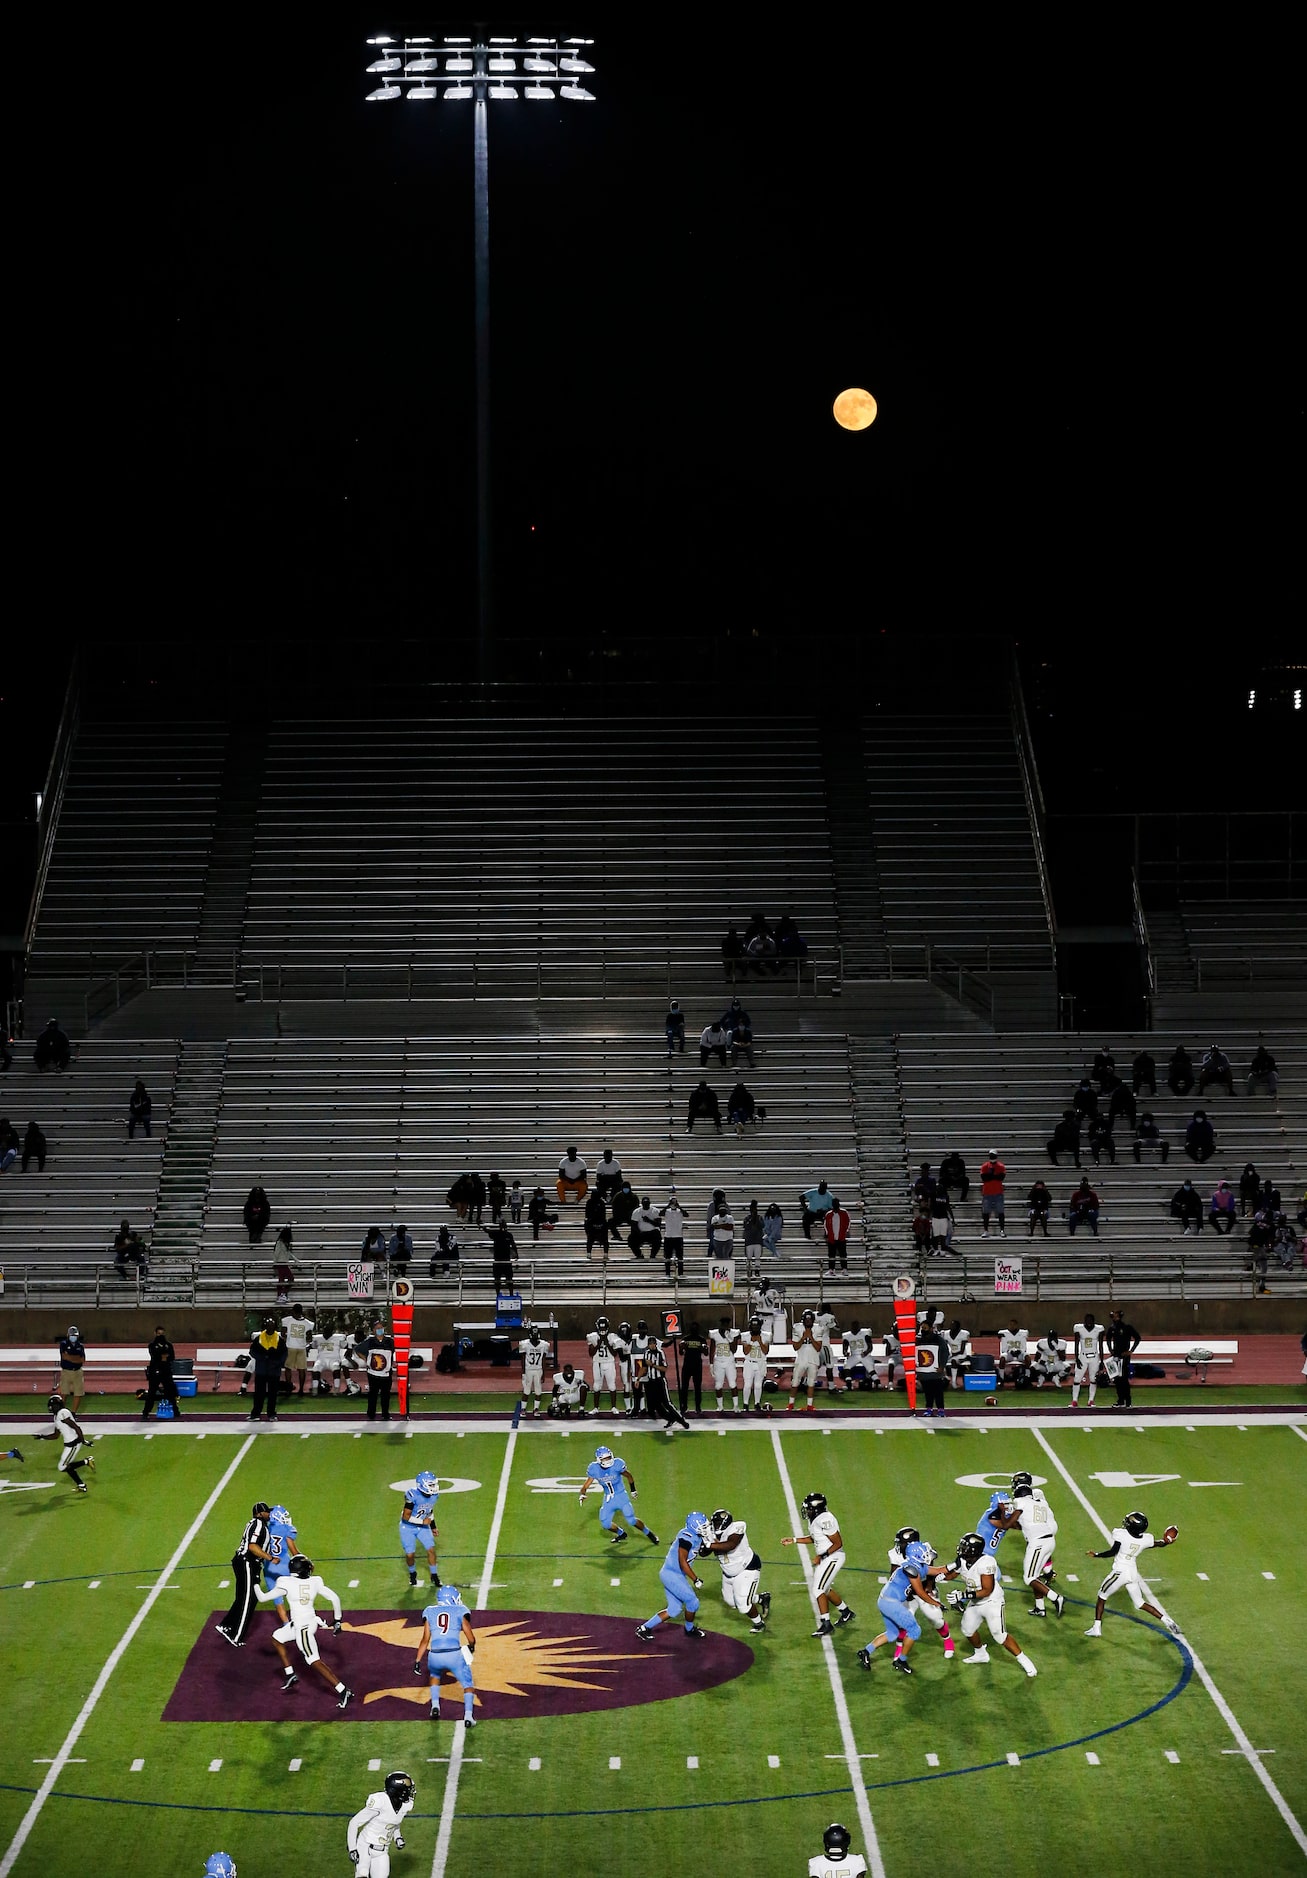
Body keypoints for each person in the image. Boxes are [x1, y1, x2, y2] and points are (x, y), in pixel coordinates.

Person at [253, 1554, 353, 1708]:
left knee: (313, 1660)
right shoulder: (315, 1581)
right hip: (303, 1622)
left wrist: (254, 1582)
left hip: (303, 1628)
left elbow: (262, 1598)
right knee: (277, 1638)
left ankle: (343, 1690)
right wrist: (338, 1620)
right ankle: (290, 1674)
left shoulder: (285, 1582)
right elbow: (335, 1598)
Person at [942, 1532, 1038, 1676]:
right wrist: (939, 1576)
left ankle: (1024, 1660)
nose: (962, 1548)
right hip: (975, 1601)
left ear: (974, 1550)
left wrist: (962, 1595)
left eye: (965, 1546)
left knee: (999, 1635)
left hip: (992, 1601)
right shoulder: (963, 1559)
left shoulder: (986, 1561)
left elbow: (987, 1590)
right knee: (968, 1629)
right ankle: (981, 1654)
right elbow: (953, 1573)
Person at [1083, 1511, 1181, 1639]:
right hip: (1132, 1572)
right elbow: (1159, 1544)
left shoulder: (1121, 1535)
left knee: (1101, 1596)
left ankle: (1096, 1628)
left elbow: (1113, 1552)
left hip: (1120, 1572)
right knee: (1140, 1603)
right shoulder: (1146, 1539)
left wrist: (1097, 1555)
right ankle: (1167, 1620)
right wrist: (1167, 1541)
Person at [859, 1539, 942, 1674]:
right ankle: (901, 1660)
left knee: (893, 1634)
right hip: (891, 1603)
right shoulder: (911, 1570)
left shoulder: (915, 1566)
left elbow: (939, 1570)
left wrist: (955, 1565)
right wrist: (936, 1603)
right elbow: (920, 1592)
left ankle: (865, 1652)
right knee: (915, 1630)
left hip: (884, 1601)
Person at [781, 1490, 855, 1638]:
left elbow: (838, 1542)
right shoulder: (816, 1519)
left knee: (818, 1590)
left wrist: (822, 1556)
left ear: (816, 1508)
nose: (806, 1510)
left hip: (834, 1557)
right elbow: (816, 1537)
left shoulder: (825, 1519)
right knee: (825, 1589)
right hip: (827, 1557)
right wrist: (795, 1540)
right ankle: (846, 1612)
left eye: (808, 1508)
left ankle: (826, 1624)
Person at [992, 1475, 1064, 1617]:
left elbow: (1007, 1524)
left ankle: (1056, 1598)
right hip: (1049, 1541)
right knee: (1035, 1576)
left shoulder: (1020, 1503)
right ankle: (1040, 1608)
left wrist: (1001, 1510)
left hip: (1038, 1543)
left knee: (1029, 1578)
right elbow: (1024, 1523)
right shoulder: (1041, 1502)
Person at [636, 1510, 712, 1641]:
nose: (705, 1529)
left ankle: (644, 1628)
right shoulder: (686, 1537)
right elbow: (682, 1561)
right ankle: (689, 1629)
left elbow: (702, 1551)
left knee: (674, 1609)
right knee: (693, 1602)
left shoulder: (695, 1536)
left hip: (673, 1574)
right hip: (672, 1574)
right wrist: (695, 1579)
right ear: (694, 1527)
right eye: (703, 1527)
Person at [413, 1584, 476, 1726]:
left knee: (435, 1676)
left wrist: (417, 1660)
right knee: (468, 1684)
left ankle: (435, 1706)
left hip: (434, 1655)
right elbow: (470, 1637)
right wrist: (471, 1646)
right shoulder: (460, 1610)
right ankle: (468, 1716)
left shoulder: (430, 1611)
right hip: (454, 1654)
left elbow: (425, 1639)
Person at [215, 1501, 275, 1646]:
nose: (269, 1514)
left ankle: (226, 1625)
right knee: (249, 1599)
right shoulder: (258, 1524)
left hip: (246, 1562)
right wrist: (270, 1558)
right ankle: (236, 1635)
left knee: (244, 1597)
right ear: (259, 1513)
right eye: (267, 1512)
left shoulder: (259, 1525)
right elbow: (252, 1546)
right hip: (248, 1561)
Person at [702, 1507, 770, 1632]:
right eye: (714, 1523)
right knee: (731, 1602)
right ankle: (761, 1598)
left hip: (746, 1568)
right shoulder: (711, 1533)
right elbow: (703, 1553)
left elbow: (730, 1545)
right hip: (728, 1571)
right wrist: (703, 1542)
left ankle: (759, 1624)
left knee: (743, 1605)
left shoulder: (737, 1527)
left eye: (717, 1523)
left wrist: (709, 1544)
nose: (715, 1526)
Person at [346, 1771, 416, 1876]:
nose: (409, 1790)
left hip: (382, 1850)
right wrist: (352, 1849)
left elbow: (394, 1821)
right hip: (365, 1846)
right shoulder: (381, 1802)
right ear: (396, 1790)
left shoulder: (405, 1805)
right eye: (406, 1787)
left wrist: (397, 1837)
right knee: (362, 1874)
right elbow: (354, 1822)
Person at [33, 1391, 95, 1492]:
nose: (52, 1408)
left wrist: (83, 1441)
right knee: (65, 1465)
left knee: (62, 1466)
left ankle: (82, 1484)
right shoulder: (57, 1416)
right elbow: (56, 1435)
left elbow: (76, 1427)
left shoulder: (63, 1413)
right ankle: (87, 1462)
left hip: (74, 1443)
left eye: (53, 1406)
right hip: (69, 1445)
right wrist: (42, 1437)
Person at [400, 1469, 441, 1589]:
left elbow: (429, 1510)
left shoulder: (434, 1496)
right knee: (410, 1555)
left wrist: (433, 1526)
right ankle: (412, 1573)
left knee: (431, 1550)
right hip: (407, 1527)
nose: (434, 1487)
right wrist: (422, 1522)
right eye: (431, 1484)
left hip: (423, 1526)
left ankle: (434, 1575)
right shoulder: (413, 1495)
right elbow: (406, 1517)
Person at [243, 1316, 287, 1421]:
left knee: (273, 1394)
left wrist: (277, 1363)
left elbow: (284, 1354)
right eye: (268, 1326)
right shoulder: (259, 1338)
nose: (270, 1328)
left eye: (272, 1326)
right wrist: (262, 1357)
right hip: (261, 1369)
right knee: (259, 1393)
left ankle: (271, 1414)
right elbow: (252, 1351)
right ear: (265, 1326)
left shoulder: (279, 1339)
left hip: (274, 1370)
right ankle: (255, 1414)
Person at [643, 1342, 690, 1432]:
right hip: (651, 1382)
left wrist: (653, 1365)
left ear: (656, 1344)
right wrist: (638, 1379)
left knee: (667, 1403)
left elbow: (664, 1368)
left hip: (660, 1381)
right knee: (656, 1405)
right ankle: (670, 1418)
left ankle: (682, 1421)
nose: (652, 1346)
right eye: (650, 1344)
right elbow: (645, 1367)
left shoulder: (660, 1353)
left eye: (653, 1344)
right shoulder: (646, 1353)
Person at [141, 1325, 181, 1419]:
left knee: (170, 1391)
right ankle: (145, 1413)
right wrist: (163, 1356)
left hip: (166, 1370)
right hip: (155, 1371)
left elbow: (172, 1357)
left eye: (162, 1334)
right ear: (155, 1333)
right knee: (152, 1392)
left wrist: (163, 1357)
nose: (160, 1335)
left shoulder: (169, 1345)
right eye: (159, 1333)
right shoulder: (152, 1345)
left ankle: (176, 1411)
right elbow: (155, 1356)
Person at [587, 1317, 626, 1414]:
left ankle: (613, 1407)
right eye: (601, 1329)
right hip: (597, 1363)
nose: (603, 1331)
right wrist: (599, 1343)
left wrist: (607, 1344)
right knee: (596, 1386)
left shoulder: (613, 1337)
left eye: (604, 1329)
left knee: (612, 1385)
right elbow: (591, 1353)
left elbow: (614, 1354)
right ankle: (596, 1408)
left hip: (609, 1362)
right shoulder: (593, 1336)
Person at [358, 1320, 396, 1420]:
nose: (380, 1330)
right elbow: (358, 1350)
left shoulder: (390, 1341)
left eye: (381, 1328)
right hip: (373, 1373)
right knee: (373, 1394)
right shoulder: (370, 1341)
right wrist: (366, 1360)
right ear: (373, 1330)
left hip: (386, 1373)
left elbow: (396, 1351)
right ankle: (371, 1414)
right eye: (377, 1328)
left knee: (386, 1395)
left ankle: (385, 1414)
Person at [1105, 1310, 1141, 1408]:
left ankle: (1128, 1401)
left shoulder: (1127, 1327)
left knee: (1124, 1378)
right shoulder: (1112, 1328)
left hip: (1124, 1356)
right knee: (1116, 1378)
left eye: (1115, 1316)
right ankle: (1120, 1400)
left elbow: (1137, 1338)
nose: (1113, 1318)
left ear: (1120, 1317)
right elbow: (1108, 1338)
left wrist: (1131, 1351)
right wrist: (1110, 1350)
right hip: (1115, 1356)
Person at [788, 1308, 822, 1412]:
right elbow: (795, 1347)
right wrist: (803, 1338)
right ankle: (790, 1404)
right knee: (795, 1382)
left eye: (810, 1319)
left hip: (813, 1359)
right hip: (801, 1358)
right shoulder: (797, 1328)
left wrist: (811, 1337)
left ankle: (810, 1405)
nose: (808, 1321)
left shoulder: (818, 1328)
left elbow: (818, 1348)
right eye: (806, 1320)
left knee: (811, 1383)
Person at [1070, 1312, 1105, 1408]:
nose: (1089, 1322)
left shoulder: (1099, 1329)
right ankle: (1074, 1400)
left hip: (1094, 1356)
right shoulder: (1079, 1328)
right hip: (1083, 1356)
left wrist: (1102, 1360)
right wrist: (1076, 1358)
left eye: (1091, 1320)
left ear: (1093, 1321)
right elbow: (1076, 1343)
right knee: (1077, 1378)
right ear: (1084, 1321)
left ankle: (1091, 1400)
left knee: (1093, 1379)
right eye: (1087, 1320)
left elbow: (1101, 1346)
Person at [709, 1317, 739, 1414]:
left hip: (729, 1361)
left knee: (732, 1384)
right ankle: (720, 1406)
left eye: (726, 1324)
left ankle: (735, 1406)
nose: (725, 1326)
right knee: (718, 1385)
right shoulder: (714, 1334)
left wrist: (729, 1338)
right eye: (723, 1324)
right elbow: (712, 1350)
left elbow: (734, 1350)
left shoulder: (733, 1333)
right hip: (718, 1361)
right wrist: (711, 1364)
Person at [280, 1305, 313, 1395]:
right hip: (302, 1347)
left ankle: (288, 1388)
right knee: (301, 1369)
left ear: (293, 1311)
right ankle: (301, 1389)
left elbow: (283, 1334)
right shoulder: (308, 1323)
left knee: (288, 1368)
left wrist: (289, 1337)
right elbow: (309, 1338)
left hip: (291, 1346)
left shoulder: (287, 1320)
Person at [518, 1325, 548, 1417]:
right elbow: (523, 1359)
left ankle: (536, 1409)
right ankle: (523, 1409)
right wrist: (523, 1372)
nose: (535, 1336)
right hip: (528, 1369)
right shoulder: (525, 1344)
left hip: (538, 1369)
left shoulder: (544, 1345)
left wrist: (544, 1373)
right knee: (526, 1390)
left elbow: (543, 1359)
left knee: (538, 1391)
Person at [56, 1324, 87, 1412]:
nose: (73, 1337)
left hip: (77, 1372)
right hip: (66, 1371)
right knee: (64, 1393)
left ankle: (73, 1413)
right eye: (72, 1335)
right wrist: (75, 1358)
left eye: (75, 1335)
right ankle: (61, 1412)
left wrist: (71, 1358)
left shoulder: (80, 1346)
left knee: (78, 1393)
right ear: (68, 1335)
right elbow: (65, 1356)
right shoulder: (64, 1344)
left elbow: (82, 1360)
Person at [679, 1320, 706, 1414]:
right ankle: (683, 1406)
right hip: (687, 1365)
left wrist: (702, 1348)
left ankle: (698, 1407)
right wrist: (681, 1347)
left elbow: (706, 1353)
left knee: (697, 1387)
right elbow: (681, 1353)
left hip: (697, 1365)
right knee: (684, 1387)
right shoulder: (685, 1338)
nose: (694, 1329)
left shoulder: (701, 1339)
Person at [482, 1221, 517, 1291]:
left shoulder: (509, 1235)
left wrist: (516, 1255)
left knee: (509, 1279)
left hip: (506, 1260)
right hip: (498, 1260)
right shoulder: (496, 1233)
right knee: (497, 1280)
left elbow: (513, 1245)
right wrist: (481, 1225)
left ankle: (511, 1295)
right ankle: (498, 1295)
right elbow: (486, 1230)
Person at [979, 1151, 1007, 1236]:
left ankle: (1002, 1230)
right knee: (986, 1212)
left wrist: (991, 1176)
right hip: (987, 1193)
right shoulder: (984, 1166)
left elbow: (1001, 1178)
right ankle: (986, 1230)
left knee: (1000, 1212)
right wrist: (995, 1176)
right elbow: (984, 1178)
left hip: (998, 1192)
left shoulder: (1001, 1166)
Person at [722, 997, 756, 1067]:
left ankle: (752, 1062)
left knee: (749, 1047)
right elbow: (722, 1021)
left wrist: (745, 1027)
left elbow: (748, 1021)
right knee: (729, 1033)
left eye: (737, 1006)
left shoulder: (743, 1013)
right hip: (732, 1030)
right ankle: (728, 1046)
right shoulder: (729, 1013)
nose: (736, 1007)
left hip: (742, 1033)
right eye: (735, 1006)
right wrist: (726, 1027)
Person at [996, 1320, 1030, 1386]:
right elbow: (998, 1335)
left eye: (1013, 1324)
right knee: (1002, 1358)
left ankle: (1027, 1378)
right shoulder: (1003, 1332)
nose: (1012, 1326)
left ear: (1017, 1325)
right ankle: (1001, 1378)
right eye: (1010, 1324)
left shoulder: (1023, 1332)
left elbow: (1025, 1338)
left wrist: (1020, 1351)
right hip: (1009, 1353)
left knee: (1027, 1358)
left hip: (1020, 1353)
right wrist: (1010, 1351)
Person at [627, 1195, 662, 1259]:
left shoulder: (655, 1211)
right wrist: (639, 1232)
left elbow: (658, 1224)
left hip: (652, 1233)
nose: (646, 1204)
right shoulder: (636, 1212)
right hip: (640, 1233)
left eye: (647, 1203)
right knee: (631, 1239)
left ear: (649, 1203)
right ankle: (639, 1254)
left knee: (658, 1237)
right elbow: (633, 1225)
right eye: (644, 1203)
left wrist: (649, 1220)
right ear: (642, 1204)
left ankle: (653, 1255)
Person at [661, 1192, 687, 1277]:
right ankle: (667, 1273)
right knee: (667, 1257)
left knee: (680, 1257)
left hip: (678, 1236)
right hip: (668, 1236)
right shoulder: (666, 1211)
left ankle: (680, 1273)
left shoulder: (680, 1211)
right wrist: (667, 1205)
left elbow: (686, 1214)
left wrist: (679, 1206)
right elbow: (660, 1213)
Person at [271, 1223, 299, 1300]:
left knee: (283, 1279)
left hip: (284, 1264)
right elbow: (276, 1253)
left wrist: (296, 1260)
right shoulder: (279, 1243)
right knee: (287, 1279)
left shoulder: (284, 1243)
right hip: (280, 1264)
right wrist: (275, 1264)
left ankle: (281, 1295)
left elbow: (289, 1253)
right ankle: (282, 1294)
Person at [823, 1196, 851, 1272]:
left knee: (843, 1254)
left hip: (841, 1237)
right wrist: (827, 1233)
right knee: (831, 1254)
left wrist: (847, 1231)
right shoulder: (828, 1214)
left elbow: (848, 1222)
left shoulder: (844, 1212)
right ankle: (831, 1269)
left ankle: (844, 1269)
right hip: (832, 1237)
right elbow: (825, 1224)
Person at [945, 1320, 972, 1387]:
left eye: (954, 1325)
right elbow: (945, 1346)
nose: (951, 1327)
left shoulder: (963, 1334)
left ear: (958, 1327)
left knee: (953, 1360)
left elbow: (962, 1350)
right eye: (951, 1325)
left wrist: (952, 1355)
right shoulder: (946, 1333)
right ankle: (944, 1379)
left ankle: (954, 1382)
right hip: (951, 1354)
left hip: (961, 1355)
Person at [583, 1188, 609, 1257]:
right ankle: (588, 1253)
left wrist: (600, 1224)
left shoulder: (602, 1203)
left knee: (605, 1237)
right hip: (591, 1223)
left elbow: (603, 1215)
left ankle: (606, 1253)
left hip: (601, 1223)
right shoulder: (589, 1202)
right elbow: (587, 1214)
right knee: (590, 1238)